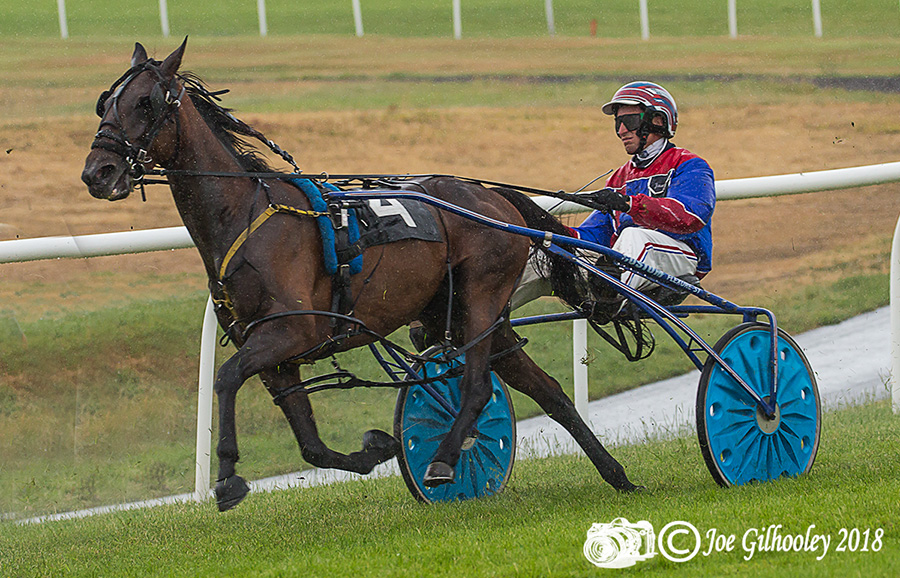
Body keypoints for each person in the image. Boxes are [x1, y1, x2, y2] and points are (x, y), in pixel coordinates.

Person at [510, 81, 715, 314]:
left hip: (681, 259)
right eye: (618, 123)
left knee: (635, 237)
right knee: (544, 256)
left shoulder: (689, 164)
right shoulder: (620, 177)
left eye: (629, 122)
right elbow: (592, 237)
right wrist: (547, 231)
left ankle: (609, 299)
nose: (621, 131)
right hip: (627, 262)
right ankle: (481, 324)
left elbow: (691, 216)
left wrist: (630, 204)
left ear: (658, 120)